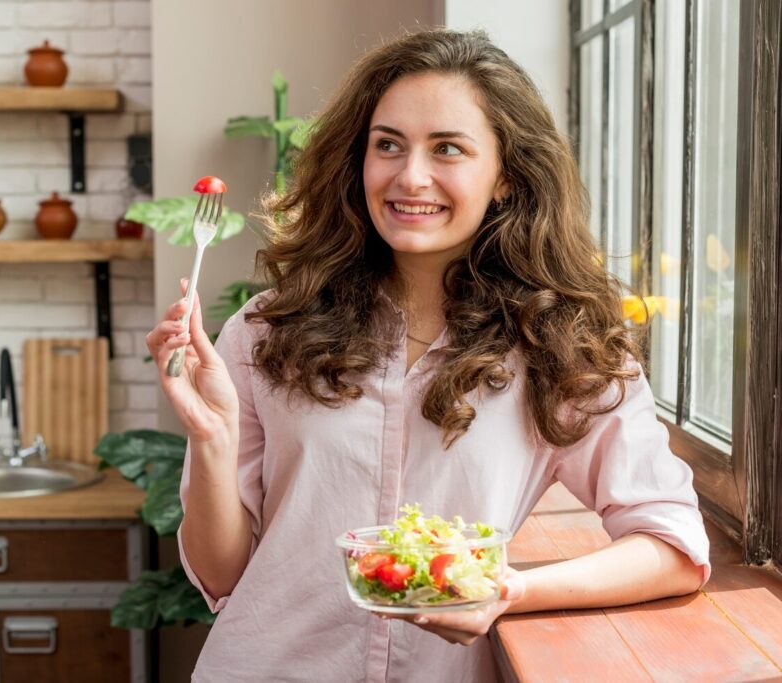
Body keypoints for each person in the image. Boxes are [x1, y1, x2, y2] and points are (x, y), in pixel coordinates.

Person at [147, 28, 710, 682]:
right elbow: (221, 575)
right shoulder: (265, 330)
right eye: (388, 145)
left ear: (505, 177)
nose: (410, 176)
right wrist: (211, 440)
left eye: (448, 149)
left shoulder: (557, 345)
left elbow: (673, 545)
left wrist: (511, 589)